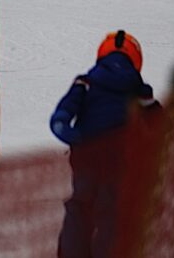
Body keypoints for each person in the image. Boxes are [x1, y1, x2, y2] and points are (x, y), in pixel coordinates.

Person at [50, 30, 161, 258]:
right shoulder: (139, 91)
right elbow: (163, 125)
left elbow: (63, 113)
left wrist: (68, 130)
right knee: (112, 213)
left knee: (80, 207)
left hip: (86, 155)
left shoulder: (86, 83)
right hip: (120, 160)